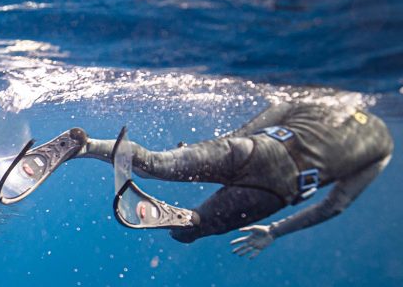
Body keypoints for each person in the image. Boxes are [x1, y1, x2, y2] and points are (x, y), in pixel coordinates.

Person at [56, 101, 393, 256]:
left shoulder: (331, 96)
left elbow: (272, 114)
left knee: (154, 163)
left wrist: (223, 145)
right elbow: (336, 205)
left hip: (254, 147)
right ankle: (184, 219)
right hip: (275, 189)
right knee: (189, 232)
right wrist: (275, 231)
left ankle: (85, 146)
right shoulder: (383, 145)